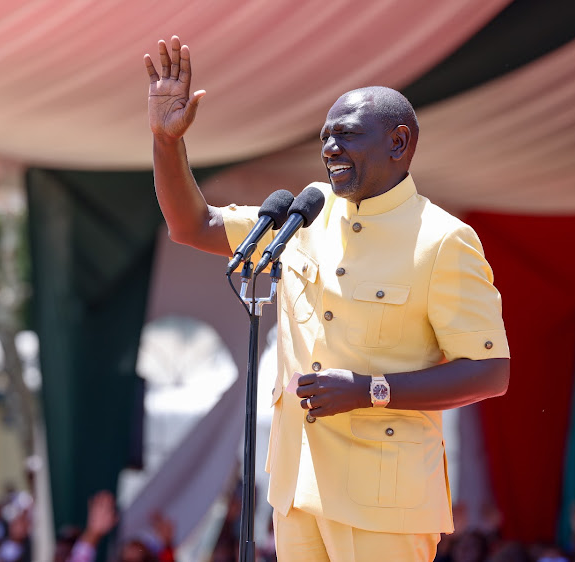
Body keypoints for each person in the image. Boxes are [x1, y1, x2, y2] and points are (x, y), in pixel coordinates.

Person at [144, 36, 510, 562]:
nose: (329, 149)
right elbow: (192, 224)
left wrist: (369, 390)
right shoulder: (302, 218)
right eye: (325, 138)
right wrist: (164, 142)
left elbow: (490, 372)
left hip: (384, 503)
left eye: (347, 135)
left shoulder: (443, 240)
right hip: (297, 491)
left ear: (398, 142)